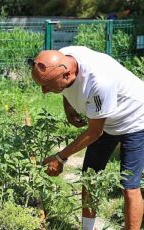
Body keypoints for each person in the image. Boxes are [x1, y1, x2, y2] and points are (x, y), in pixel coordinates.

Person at [29, 46, 144, 230]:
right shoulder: (64, 56)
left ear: (65, 75)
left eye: (47, 86)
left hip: (135, 119)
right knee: (89, 178)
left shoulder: (99, 81)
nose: (43, 91)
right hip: (104, 119)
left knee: (129, 186)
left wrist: (60, 157)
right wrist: (69, 107)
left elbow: (94, 132)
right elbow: (67, 87)